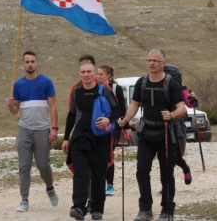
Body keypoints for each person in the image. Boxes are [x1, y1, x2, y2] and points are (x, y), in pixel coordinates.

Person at [119, 49, 186, 221]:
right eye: (149, 60)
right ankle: (145, 210)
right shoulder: (142, 82)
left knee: (166, 174)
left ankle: (168, 211)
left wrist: (171, 115)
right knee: (141, 170)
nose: (151, 63)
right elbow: (134, 104)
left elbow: (182, 108)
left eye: (155, 61)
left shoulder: (171, 83)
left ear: (163, 63)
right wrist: (126, 119)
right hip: (146, 133)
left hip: (166, 133)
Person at [62, 62, 120, 220]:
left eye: (89, 72)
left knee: (99, 175)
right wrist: (66, 138)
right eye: (83, 72)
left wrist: (108, 120)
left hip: (100, 139)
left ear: (95, 74)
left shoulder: (105, 90)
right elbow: (71, 115)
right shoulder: (77, 92)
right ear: (79, 74)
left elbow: (118, 109)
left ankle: (97, 209)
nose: (86, 75)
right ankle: (78, 207)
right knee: (80, 173)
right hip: (80, 137)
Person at [6, 50, 60, 212]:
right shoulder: (18, 84)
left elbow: (53, 106)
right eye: (27, 62)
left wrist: (54, 128)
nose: (30, 64)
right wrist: (11, 106)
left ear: (37, 63)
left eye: (32, 61)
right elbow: (15, 111)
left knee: (43, 164)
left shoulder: (46, 82)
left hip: (42, 129)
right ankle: (24, 200)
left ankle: (49, 187)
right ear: (23, 64)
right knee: (24, 166)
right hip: (24, 129)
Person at [96, 65, 131, 196]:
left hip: (114, 125)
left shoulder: (116, 89)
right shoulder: (94, 87)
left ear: (109, 75)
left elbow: (122, 109)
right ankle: (99, 182)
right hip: (99, 125)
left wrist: (126, 127)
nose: (98, 76)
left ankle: (109, 185)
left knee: (108, 152)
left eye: (101, 74)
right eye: (97, 74)